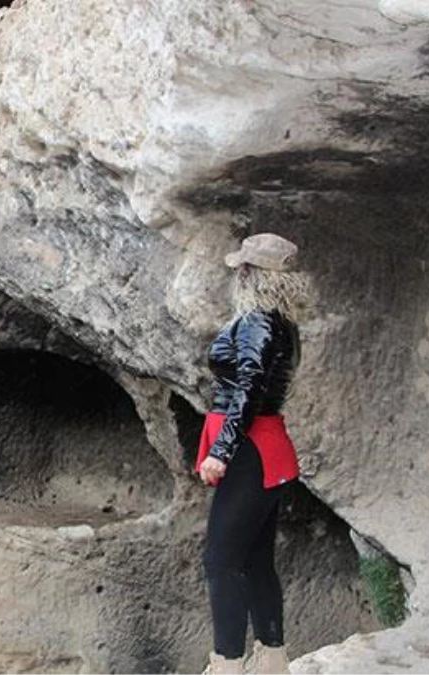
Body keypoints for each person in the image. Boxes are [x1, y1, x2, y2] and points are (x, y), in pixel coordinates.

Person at [196, 233, 313, 675]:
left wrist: (221, 450)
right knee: (255, 560)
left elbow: (248, 389)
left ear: (251, 275)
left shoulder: (259, 322)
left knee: (220, 561)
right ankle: (272, 660)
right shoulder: (280, 322)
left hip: (247, 449)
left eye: (241, 269)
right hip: (265, 446)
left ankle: (226, 665)